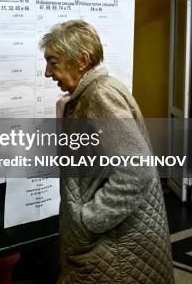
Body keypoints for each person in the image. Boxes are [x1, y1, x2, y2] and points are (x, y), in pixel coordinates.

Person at [40, 20, 174, 284]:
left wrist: (88, 220)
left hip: (114, 249)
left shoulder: (99, 96)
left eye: (53, 62)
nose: (47, 73)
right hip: (115, 246)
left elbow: (136, 172)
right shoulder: (94, 92)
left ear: (82, 60)